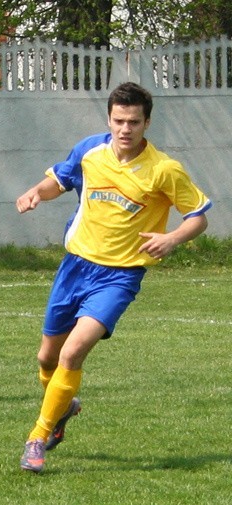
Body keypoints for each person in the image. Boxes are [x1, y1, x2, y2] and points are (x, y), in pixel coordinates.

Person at [15, 82, 212, 474]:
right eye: (119, 120)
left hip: (120, 276)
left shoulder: (164, 169)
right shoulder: (90, 150)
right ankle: (63, 405)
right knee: (46, 358)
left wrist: (171, 238)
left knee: (73, 352)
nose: (125, 129)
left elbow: (198, 216)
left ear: (147, 122)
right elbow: (61, 180)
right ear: (109, 119)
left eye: (134, 122)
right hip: (75, 267)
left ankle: (37, 437)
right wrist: (37, 191)